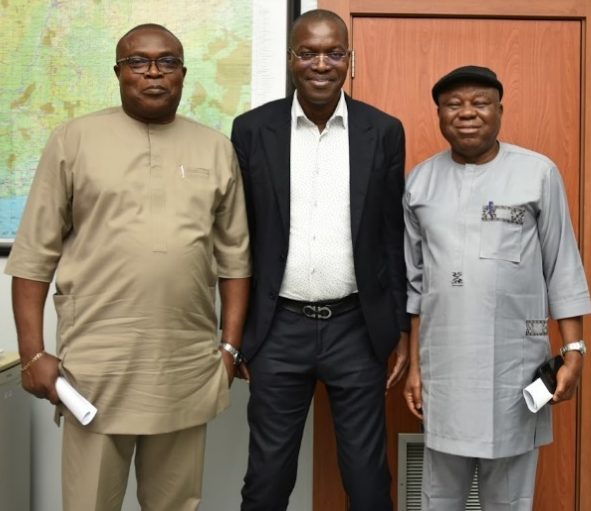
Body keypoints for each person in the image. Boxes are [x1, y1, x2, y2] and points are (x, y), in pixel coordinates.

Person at [5, 23, 251, 511]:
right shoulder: (73, 140)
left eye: (168, 62)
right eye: (138, 62)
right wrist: (33, 355)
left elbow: (235, 259)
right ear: (118, 72)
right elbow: (34, 256)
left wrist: (228, 349)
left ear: (183, 73)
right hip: (96, 367)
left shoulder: (215, 148)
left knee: (178, 504)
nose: (154, 73)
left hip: (185, 365)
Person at [231, 9, 409, 511]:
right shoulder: (250, 130)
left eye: (334, 52)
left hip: (357, 327)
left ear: (349, 60)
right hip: (277, 329)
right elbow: (238, 237)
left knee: (369, 481)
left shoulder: (384, 131)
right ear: (291, 59)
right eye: (308, 52)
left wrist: (400, 329)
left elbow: (391, 236)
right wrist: (239, 332)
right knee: (266, 482)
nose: (321, 63)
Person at [402, 65, 591, 511]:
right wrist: (414, 366)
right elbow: (415, 286)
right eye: (454, 105)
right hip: (443, 368)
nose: (467, 113)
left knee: (509, 500)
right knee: (439, 497)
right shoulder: (419, 183)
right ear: (439, 115)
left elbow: (563, 265)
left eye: (480, 103)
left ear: (500, 111)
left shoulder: (538, 174)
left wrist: (575, 351)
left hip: (515, 366)